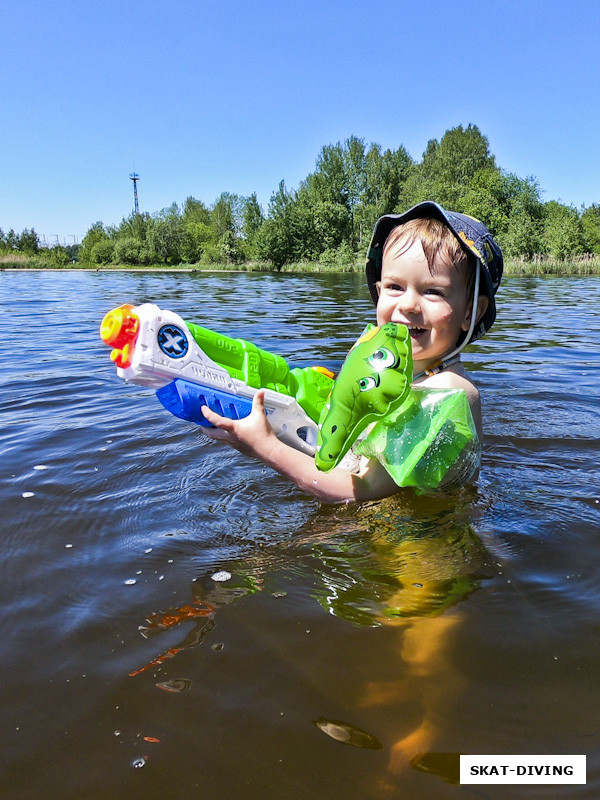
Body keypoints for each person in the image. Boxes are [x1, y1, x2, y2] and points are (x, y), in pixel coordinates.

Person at [201, 202, 503, 503]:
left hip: (426, 539)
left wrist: (265, 446)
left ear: (470, 313)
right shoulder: (374, 359)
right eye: (395, 287)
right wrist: (261, 428)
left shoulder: (447, 393)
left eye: (433, 291)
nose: (409, 305)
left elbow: (361, 490)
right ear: (378, 289)